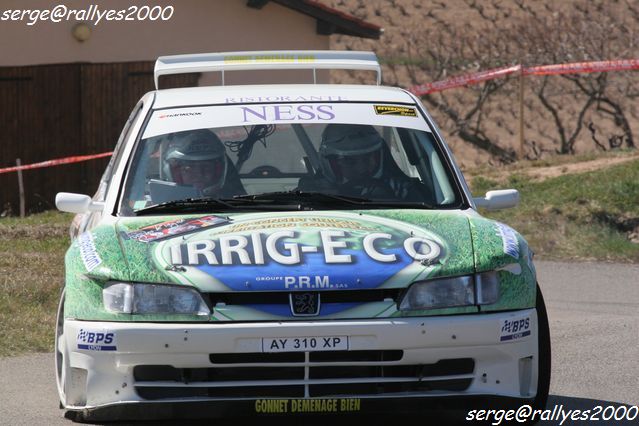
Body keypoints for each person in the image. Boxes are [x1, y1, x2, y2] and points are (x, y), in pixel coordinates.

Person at [301, 124, 431, 201]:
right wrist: (317, 198)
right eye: (350, 161)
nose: (361, 167)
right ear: (331, 163)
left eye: (368, 158)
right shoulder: (311, 192)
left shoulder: (401, 190)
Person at [160, 129, 245, 198]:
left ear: (218, 171)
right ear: (173, 171)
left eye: (206, 167)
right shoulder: (153, 207)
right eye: (188, 168)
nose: (199, 174)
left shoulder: (239, 205)